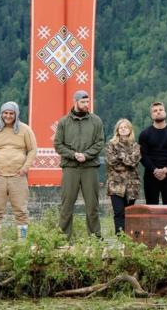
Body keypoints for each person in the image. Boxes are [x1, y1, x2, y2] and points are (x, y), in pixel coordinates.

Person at [0, 101, 38, 243]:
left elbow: (32, 149)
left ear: (16, 114)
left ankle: (22, 241)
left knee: (21, 209)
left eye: (11, 113)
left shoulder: (25, 130)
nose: (8, 116)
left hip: (18, 176)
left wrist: (25, 168)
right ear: (1, 114)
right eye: (5, 113)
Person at [54, 90, 104, 239]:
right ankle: (63, 237)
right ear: (75, 102)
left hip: (90, 167)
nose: (86, 105)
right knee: (67, 204)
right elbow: (58, 144)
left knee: (92, 205)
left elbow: (100, 142)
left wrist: (86, 155)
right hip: (70, 167)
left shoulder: (96, 121)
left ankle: (95, 237)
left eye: (87, 102)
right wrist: (73, 155)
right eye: (83, 102)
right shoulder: (64, 122)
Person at [138, 102, 167, 205]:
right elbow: (143, 156)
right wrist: (155, 170)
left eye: (160, 110)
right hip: (151, 175)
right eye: (155, 111)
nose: (158, 112)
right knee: (152, 209)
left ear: (165, 112)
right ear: (151, 115)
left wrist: (165, 170)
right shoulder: (145, 134)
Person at [105, 118, 141, 235]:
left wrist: (120, 156)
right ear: (117, 130)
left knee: (129, 213)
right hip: (116, 185)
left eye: (126, 127)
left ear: (130, 130)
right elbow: (111, 162)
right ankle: (120, 238)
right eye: (121, 127)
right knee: (119, 212)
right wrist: (126, 159)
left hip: (132, 185)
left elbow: (133, 162)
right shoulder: (111, 144)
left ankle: (129, 238)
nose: (123, 129)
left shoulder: (135, 146)